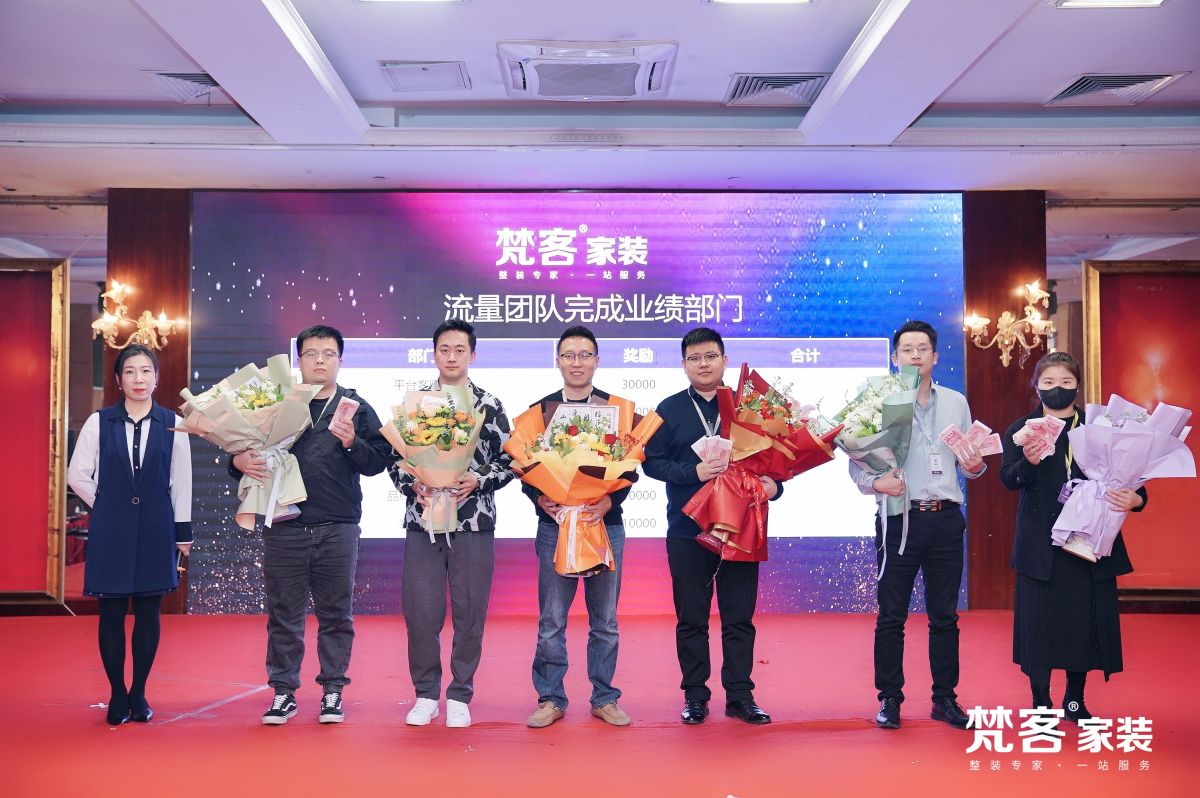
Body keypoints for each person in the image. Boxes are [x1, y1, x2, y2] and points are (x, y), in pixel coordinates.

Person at [231, 325, 391, 725]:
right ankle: (283, 693)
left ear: (340, 360)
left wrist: (353, 442)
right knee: (284, 614)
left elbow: (378, 462)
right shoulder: (277, 404)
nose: (320, 360)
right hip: (284, 525)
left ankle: (333, 690)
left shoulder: (355, 407)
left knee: (336, 614)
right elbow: (241, 448)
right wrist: (236, 461)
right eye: (311, 354)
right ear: (298, 359)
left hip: (338, 527)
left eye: (328, 354)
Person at [643, 327, 782, 726]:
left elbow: (776, 461)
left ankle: (740, 695)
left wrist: (777, 487)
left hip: (741, 528)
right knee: (692, 617)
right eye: (694, 358)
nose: (703, 364)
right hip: (687, 529)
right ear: (683, 364)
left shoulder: (749, 407)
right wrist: (694, 472)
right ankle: (695, 696)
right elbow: (651, 463)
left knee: (739, 616)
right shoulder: (669, 408)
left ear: (724, 359)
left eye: (710, 356)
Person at [850, 320, 984, 730]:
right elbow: (855, 461)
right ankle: (890, 698)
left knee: (945, 616)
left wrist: (975, 466)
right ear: (895, 358)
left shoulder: (956, 402)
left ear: (935, 356)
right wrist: (876, 483)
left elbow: (970, 462)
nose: (914, 355)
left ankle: (945, 699)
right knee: (892, 615)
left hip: (945, 518)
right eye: (906, 350)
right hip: (899, 519)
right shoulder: (878, 403)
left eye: (922, 349)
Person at [1000, 351, 1146, 719]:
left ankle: (1075, 701)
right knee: (1039, 626)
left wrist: (1137, 499)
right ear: (1036, 386)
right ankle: (1040, 702)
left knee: (1083, 623)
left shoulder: (1099, 428)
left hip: (1088, 539)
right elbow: (1008, 479)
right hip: (1040, 542)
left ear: (1078, 386)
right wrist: (1028, 462)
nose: (1058, 389)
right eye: (1048, 382)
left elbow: (1132, 477)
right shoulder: (1022, 428)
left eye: (1066, 382)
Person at [389, 318, 514, 729]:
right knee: (421, 611)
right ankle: (426, 694)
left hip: (473, 522)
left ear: (472, 355)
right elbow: (396, 459)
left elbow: (512, 461)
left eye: (460, 349)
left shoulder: (489, 405)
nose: (452, 356)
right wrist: (414, 485)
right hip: (422, 522)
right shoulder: (415, 405)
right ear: (434, 354)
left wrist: (478, 479)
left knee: (470, 612)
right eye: (444, 349)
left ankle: (460, 693)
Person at [67, 344, 192, 725]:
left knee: (149, 611)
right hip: (112, 528)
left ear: (156, 377)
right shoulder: (99, 421)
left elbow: (181, 483)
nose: (139, 379)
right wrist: (107, 503)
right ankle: (117, 694)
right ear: (118, 380)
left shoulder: (173, 424)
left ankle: (139, 691)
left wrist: (182, 533)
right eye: (130, 372)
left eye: (146, 371)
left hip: (156, 527)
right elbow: (77, 475)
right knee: (111, 610)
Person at [522, 326, 633, 729]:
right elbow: (525, 467)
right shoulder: (539, 412)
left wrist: (611, 501)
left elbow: (630, 466)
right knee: (551, 620)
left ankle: (605, 697)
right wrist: (540, 498)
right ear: (557, 361)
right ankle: (551, 697)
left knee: (605, 621)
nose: (576, 362)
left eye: (585, 355)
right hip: (555, 527)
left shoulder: (616, 410)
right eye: (569, 355)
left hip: (604, 525)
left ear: (597, 360)